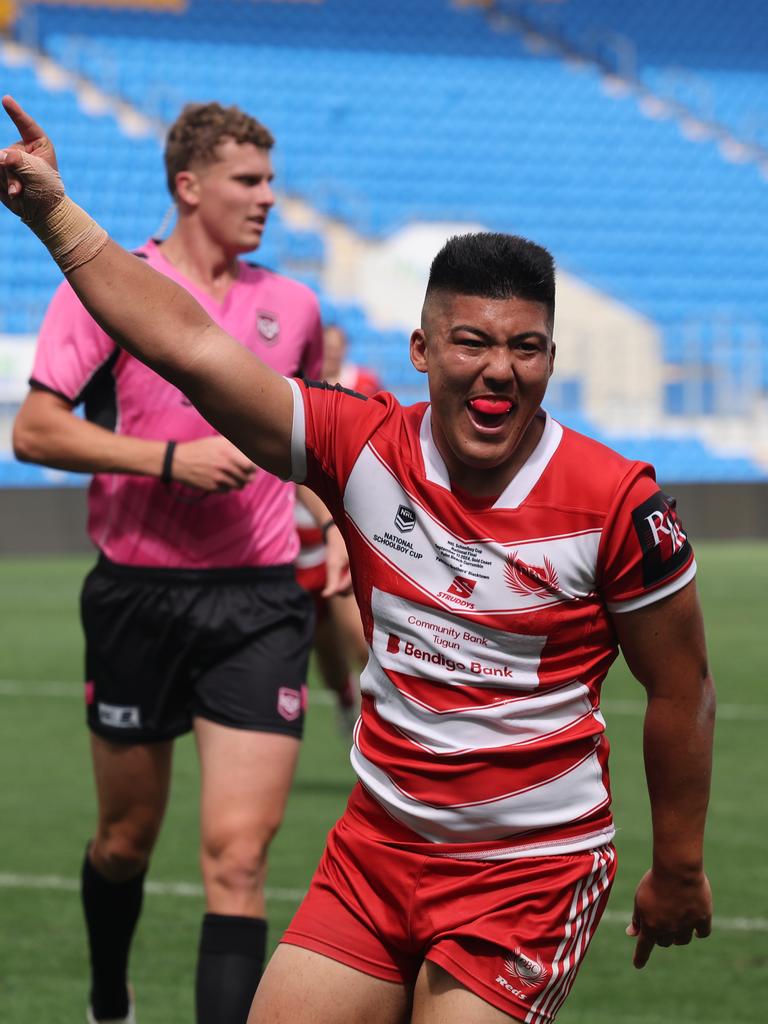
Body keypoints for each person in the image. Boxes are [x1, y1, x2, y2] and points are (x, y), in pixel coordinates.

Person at [0, 96, 715, 1024]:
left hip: (526, 878)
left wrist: (682, 867)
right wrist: (54, 212)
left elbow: (682, 687)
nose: (500, 369)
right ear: (421, 350)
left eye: (526, 348)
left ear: (550, 357)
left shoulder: (617, 501)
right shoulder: (360, 445)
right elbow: (188, 346)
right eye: (471, 342)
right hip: (377, 852)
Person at [9, 99, 348, 1024]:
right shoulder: (110, 288)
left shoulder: (294, 307)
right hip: (136, 598)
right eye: (249, 180)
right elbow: (34, 431)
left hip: (259, 604)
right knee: (125, 840)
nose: (269, 198)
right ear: (189, 187)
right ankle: (110, 999)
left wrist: (344, 522)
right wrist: (168, 459)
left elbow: (310, 444)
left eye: (272, 181)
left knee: (238, 860)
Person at [294, 323, 382, 732]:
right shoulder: (295, 390)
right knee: (324, 652)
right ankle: (344, 696)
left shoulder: (363, 384)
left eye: (335, 346)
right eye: (322, 346)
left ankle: (385, 725)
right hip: (295, 547)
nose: (328, 353)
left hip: (344, 535)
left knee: (360, 639)